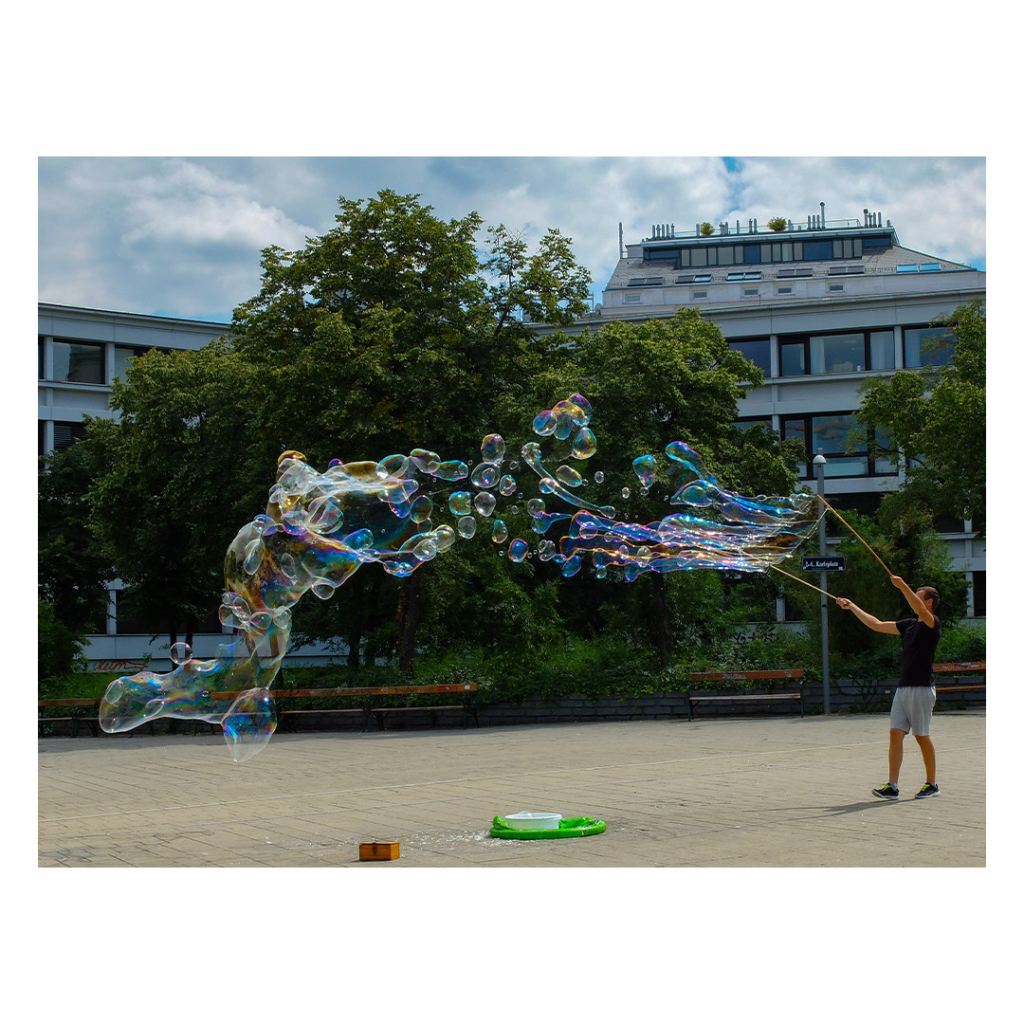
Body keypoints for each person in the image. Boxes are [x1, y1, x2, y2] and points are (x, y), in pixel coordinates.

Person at [836, 576, 941, 800]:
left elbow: (919, 609)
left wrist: (903, 585)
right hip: (904, 689)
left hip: (922, 688)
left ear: (928, 602)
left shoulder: (932, 623)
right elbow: (875, 624)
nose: (914, 600)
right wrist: (852, 606)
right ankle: (892, 786)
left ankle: (931, 784)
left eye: (918, 596)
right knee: (895, 734)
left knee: (922, 736)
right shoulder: (908, 625)